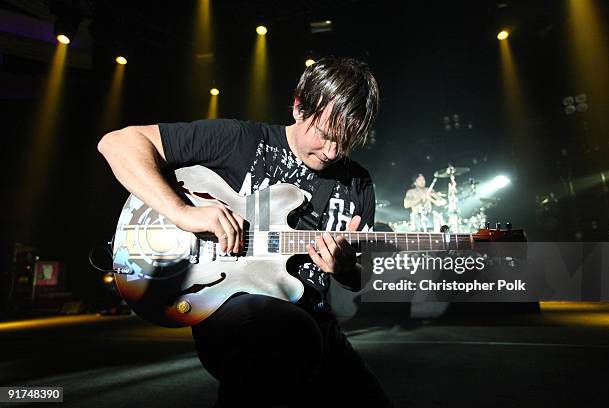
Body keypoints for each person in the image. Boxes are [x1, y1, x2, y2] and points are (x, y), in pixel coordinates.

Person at [98, 57, 393, 407]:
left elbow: (360, 278)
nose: (331, 152)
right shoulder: (240, 141)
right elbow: (117, 144)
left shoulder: (358, 183)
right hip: (233, 311)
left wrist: (345, 269)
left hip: (314, 321)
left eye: (344, 143)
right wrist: (182, 212)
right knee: (283, 335)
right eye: (326, 135)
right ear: (299, 106)